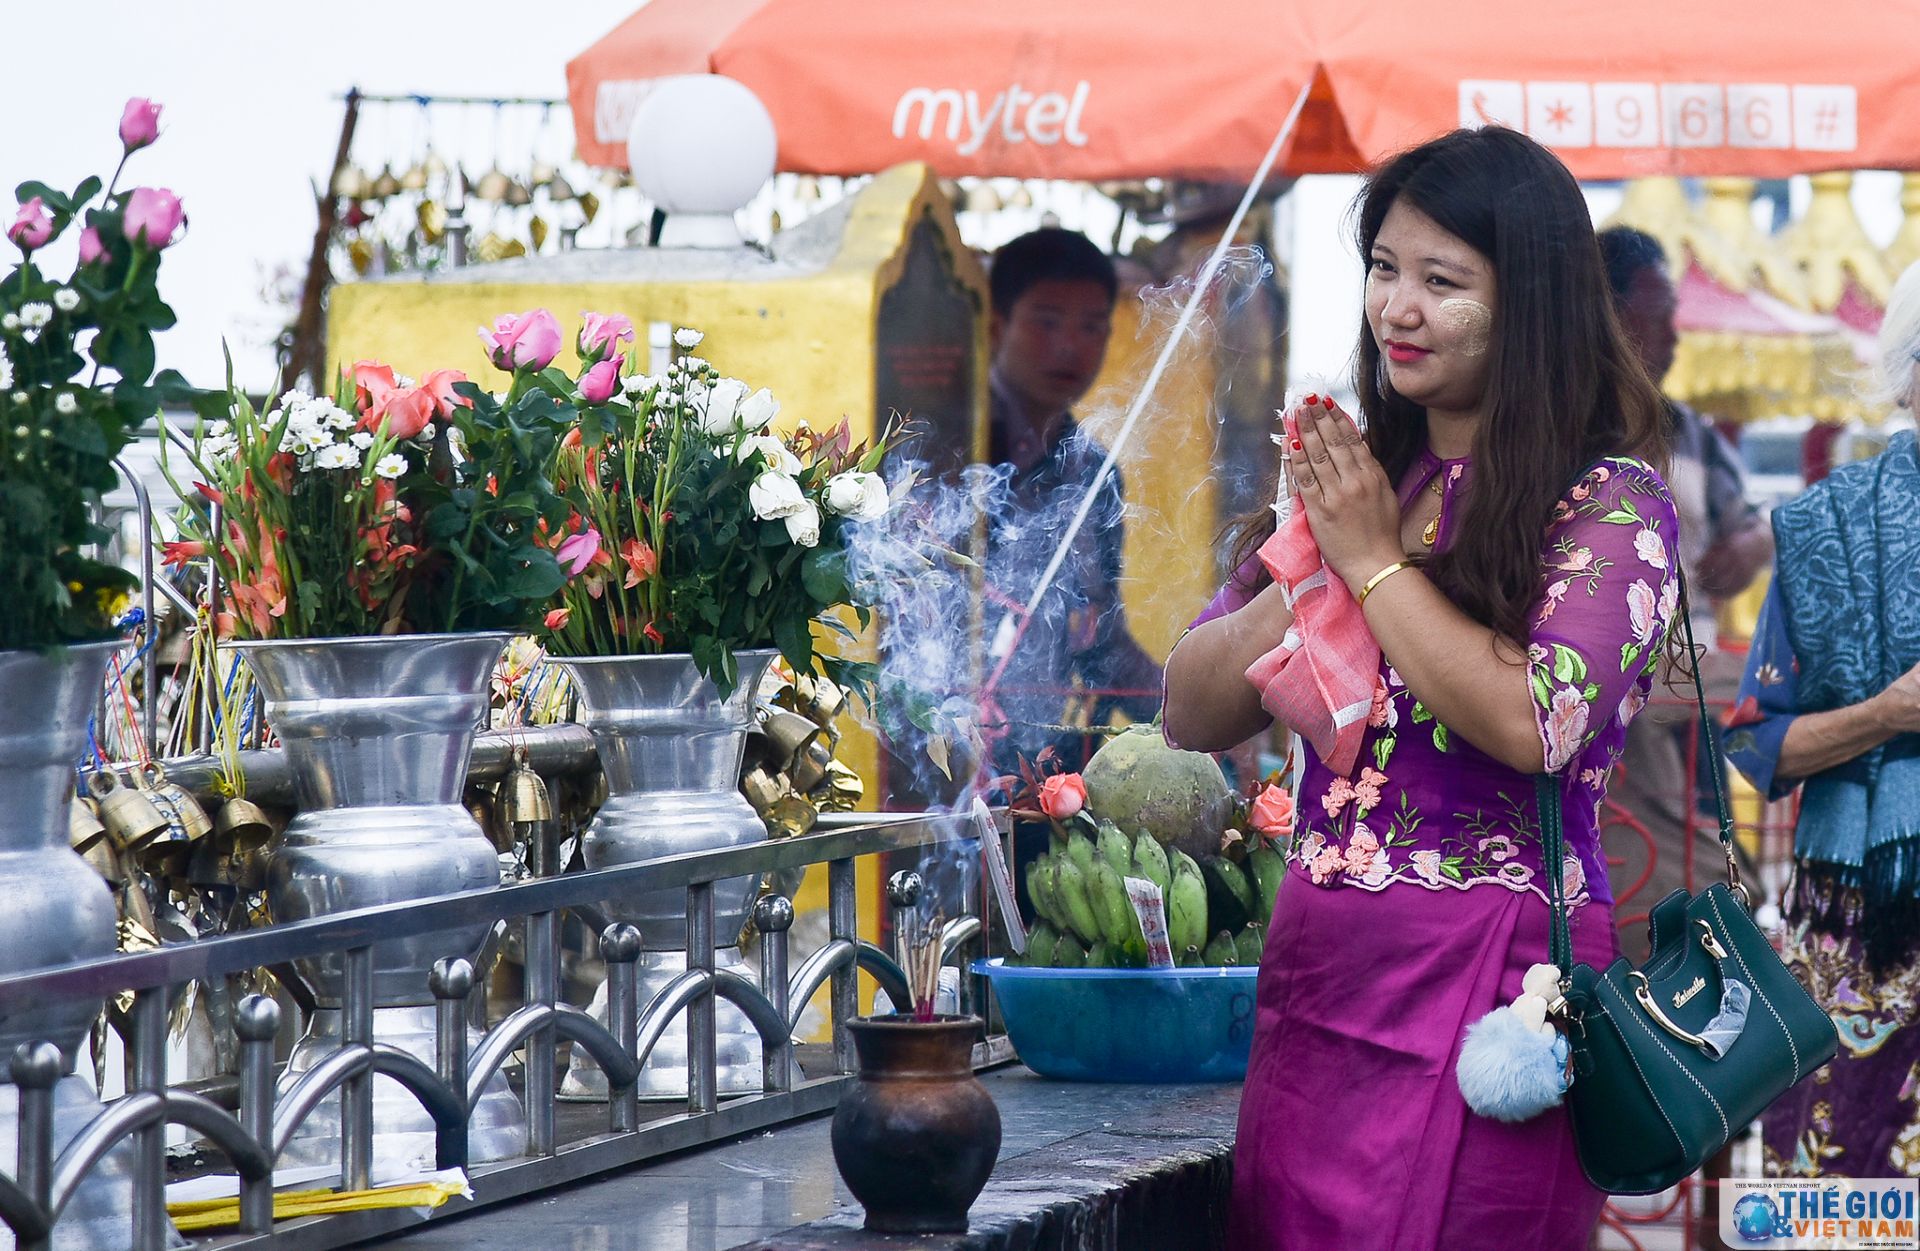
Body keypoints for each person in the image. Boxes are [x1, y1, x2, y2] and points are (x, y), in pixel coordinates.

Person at [1163, 127, 1675, 1249]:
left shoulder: (1610, 506)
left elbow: (1535, 722)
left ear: (1530, 302)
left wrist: (1375, 565)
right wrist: (1310, 560)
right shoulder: (1359, 481)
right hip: (1323, 986)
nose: (1398, 307)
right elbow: (1190, 710)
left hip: (1499, 994)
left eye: (1443, 282)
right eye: (1385, 269)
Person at [1725, 260, 1920, 1179]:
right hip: (1861, 933)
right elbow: (1758, 742)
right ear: (1911, 375)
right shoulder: (1828, 528)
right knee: (1850, 1202)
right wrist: (1887, 714)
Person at [1597, 225, 1772, 961]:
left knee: (1703, 861)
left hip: (1685, 680)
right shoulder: (1560, 426)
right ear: (1609, 315)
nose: (1672, 333)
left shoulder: (1689, 432)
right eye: (1657, 314)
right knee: (1649, 871)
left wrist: (1746, 548)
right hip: (1604, 686)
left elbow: (1761, 526)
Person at [982, 227, 1162, 774]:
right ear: (997, 327)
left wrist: (1180, 707)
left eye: (1091, 327)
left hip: (1045, 763)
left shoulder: (1095, 472)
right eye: (1047, 321)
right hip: (947, 748)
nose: (1070, 346)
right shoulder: (956, 447)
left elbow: (1099, 636)